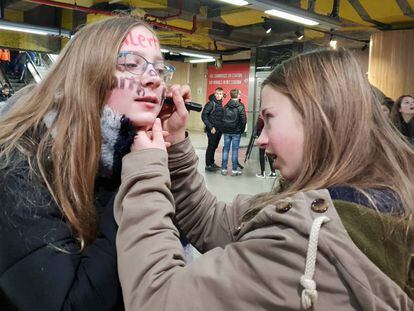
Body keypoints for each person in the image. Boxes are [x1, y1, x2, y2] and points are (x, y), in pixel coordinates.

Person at [114, 49, 414, 310]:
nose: (261, 139)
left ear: (319, 118)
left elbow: (158, 299)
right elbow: (212, 221)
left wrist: (146, 171)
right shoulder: (340, 203)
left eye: (269, 118)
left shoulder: (310, 244)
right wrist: (178, 143)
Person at [0, 16, 175, 310]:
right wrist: (139, 179)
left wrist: (165, 160)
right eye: (131, 64)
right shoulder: (19, 163)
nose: (153, 78)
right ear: (87, 74)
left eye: (159, 68)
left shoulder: (123, 150)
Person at [220, 88, 246, 176]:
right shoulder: (240, 106)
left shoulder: (226, 106)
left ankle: (224, 169)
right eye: (240, 94)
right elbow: (243, 120)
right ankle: (234, 170)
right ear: (237, 95)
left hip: (226, 131)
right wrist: (241, 130)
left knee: (226, 150)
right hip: (236, 132)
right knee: (235, 150)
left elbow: (222, 118)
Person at [201, 88, 224, 171]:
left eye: (220, 94)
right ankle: (208, 165)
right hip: (212, 129)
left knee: (214, 146)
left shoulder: (220, 103)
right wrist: (211, 127)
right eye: (217, 94)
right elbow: (204, 116)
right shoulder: (211, 103)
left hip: (219, 130)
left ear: (222, 95)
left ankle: (212, 162)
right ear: (215, 94)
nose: (218, 95)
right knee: (211, 146)